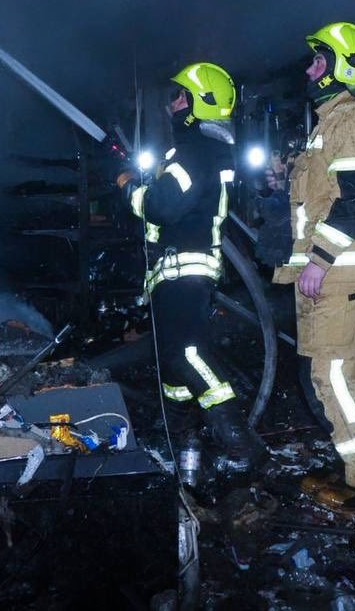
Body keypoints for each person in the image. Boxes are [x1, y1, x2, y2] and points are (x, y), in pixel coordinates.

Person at [118, 62, 265, 473]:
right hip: (173, 272)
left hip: (184, 270)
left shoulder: (195, 153)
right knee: (173, 369)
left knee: (188, 355)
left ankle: (241, 443)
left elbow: (161, 207)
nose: (174, 104)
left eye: (182, 96)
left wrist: (128, 188)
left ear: (202, 103)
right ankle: (187, 451)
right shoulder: (195, 153)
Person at [271, 22, 355, 491]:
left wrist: (320, 259)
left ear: (343, 67)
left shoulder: (351, 120)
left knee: (337, 379)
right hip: (332, 273)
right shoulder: (332, 123)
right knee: (328, 380)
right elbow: (325, 196)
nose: (310, 70)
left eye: (319, 60)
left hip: (339, 271)